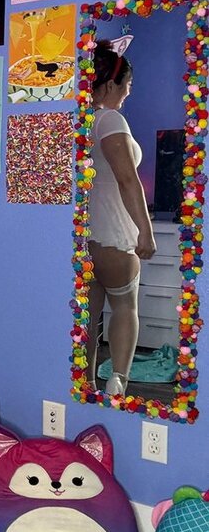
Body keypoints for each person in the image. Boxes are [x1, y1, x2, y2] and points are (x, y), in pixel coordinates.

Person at [85, 39, 156, 397]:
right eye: (127, 85)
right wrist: (146, 231)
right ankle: (118, 383)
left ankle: (85, 385)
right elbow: (128, 180)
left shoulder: (80, 120)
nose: (128, 93)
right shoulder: (110, 119)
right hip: (113, 233)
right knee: (125, 308)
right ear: (112, 84)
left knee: (88, 319)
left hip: (84, 236)